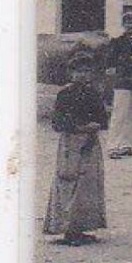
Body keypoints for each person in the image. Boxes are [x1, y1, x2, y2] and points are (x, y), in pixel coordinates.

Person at [44, 53, 110, 245]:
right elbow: (58, 122)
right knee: (68, 181)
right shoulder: (64, 94)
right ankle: (67, 229)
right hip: (70, 142)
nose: (83, 75)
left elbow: (103, 119)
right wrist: (79, 127)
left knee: (87, 184)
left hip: (89, 143)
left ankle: (80, 228)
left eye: (87, 71)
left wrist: (96, 125)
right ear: (71, 73)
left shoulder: (94, 94)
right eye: (79, 71)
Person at [104, 10, 132, 159]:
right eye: (128, 22)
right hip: (122, 80)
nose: (130, 25)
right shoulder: (117, 41)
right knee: (119, 114)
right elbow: (111, 61)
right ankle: (112, 146)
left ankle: (125, 145)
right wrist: (130, 59)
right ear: (123, 24)